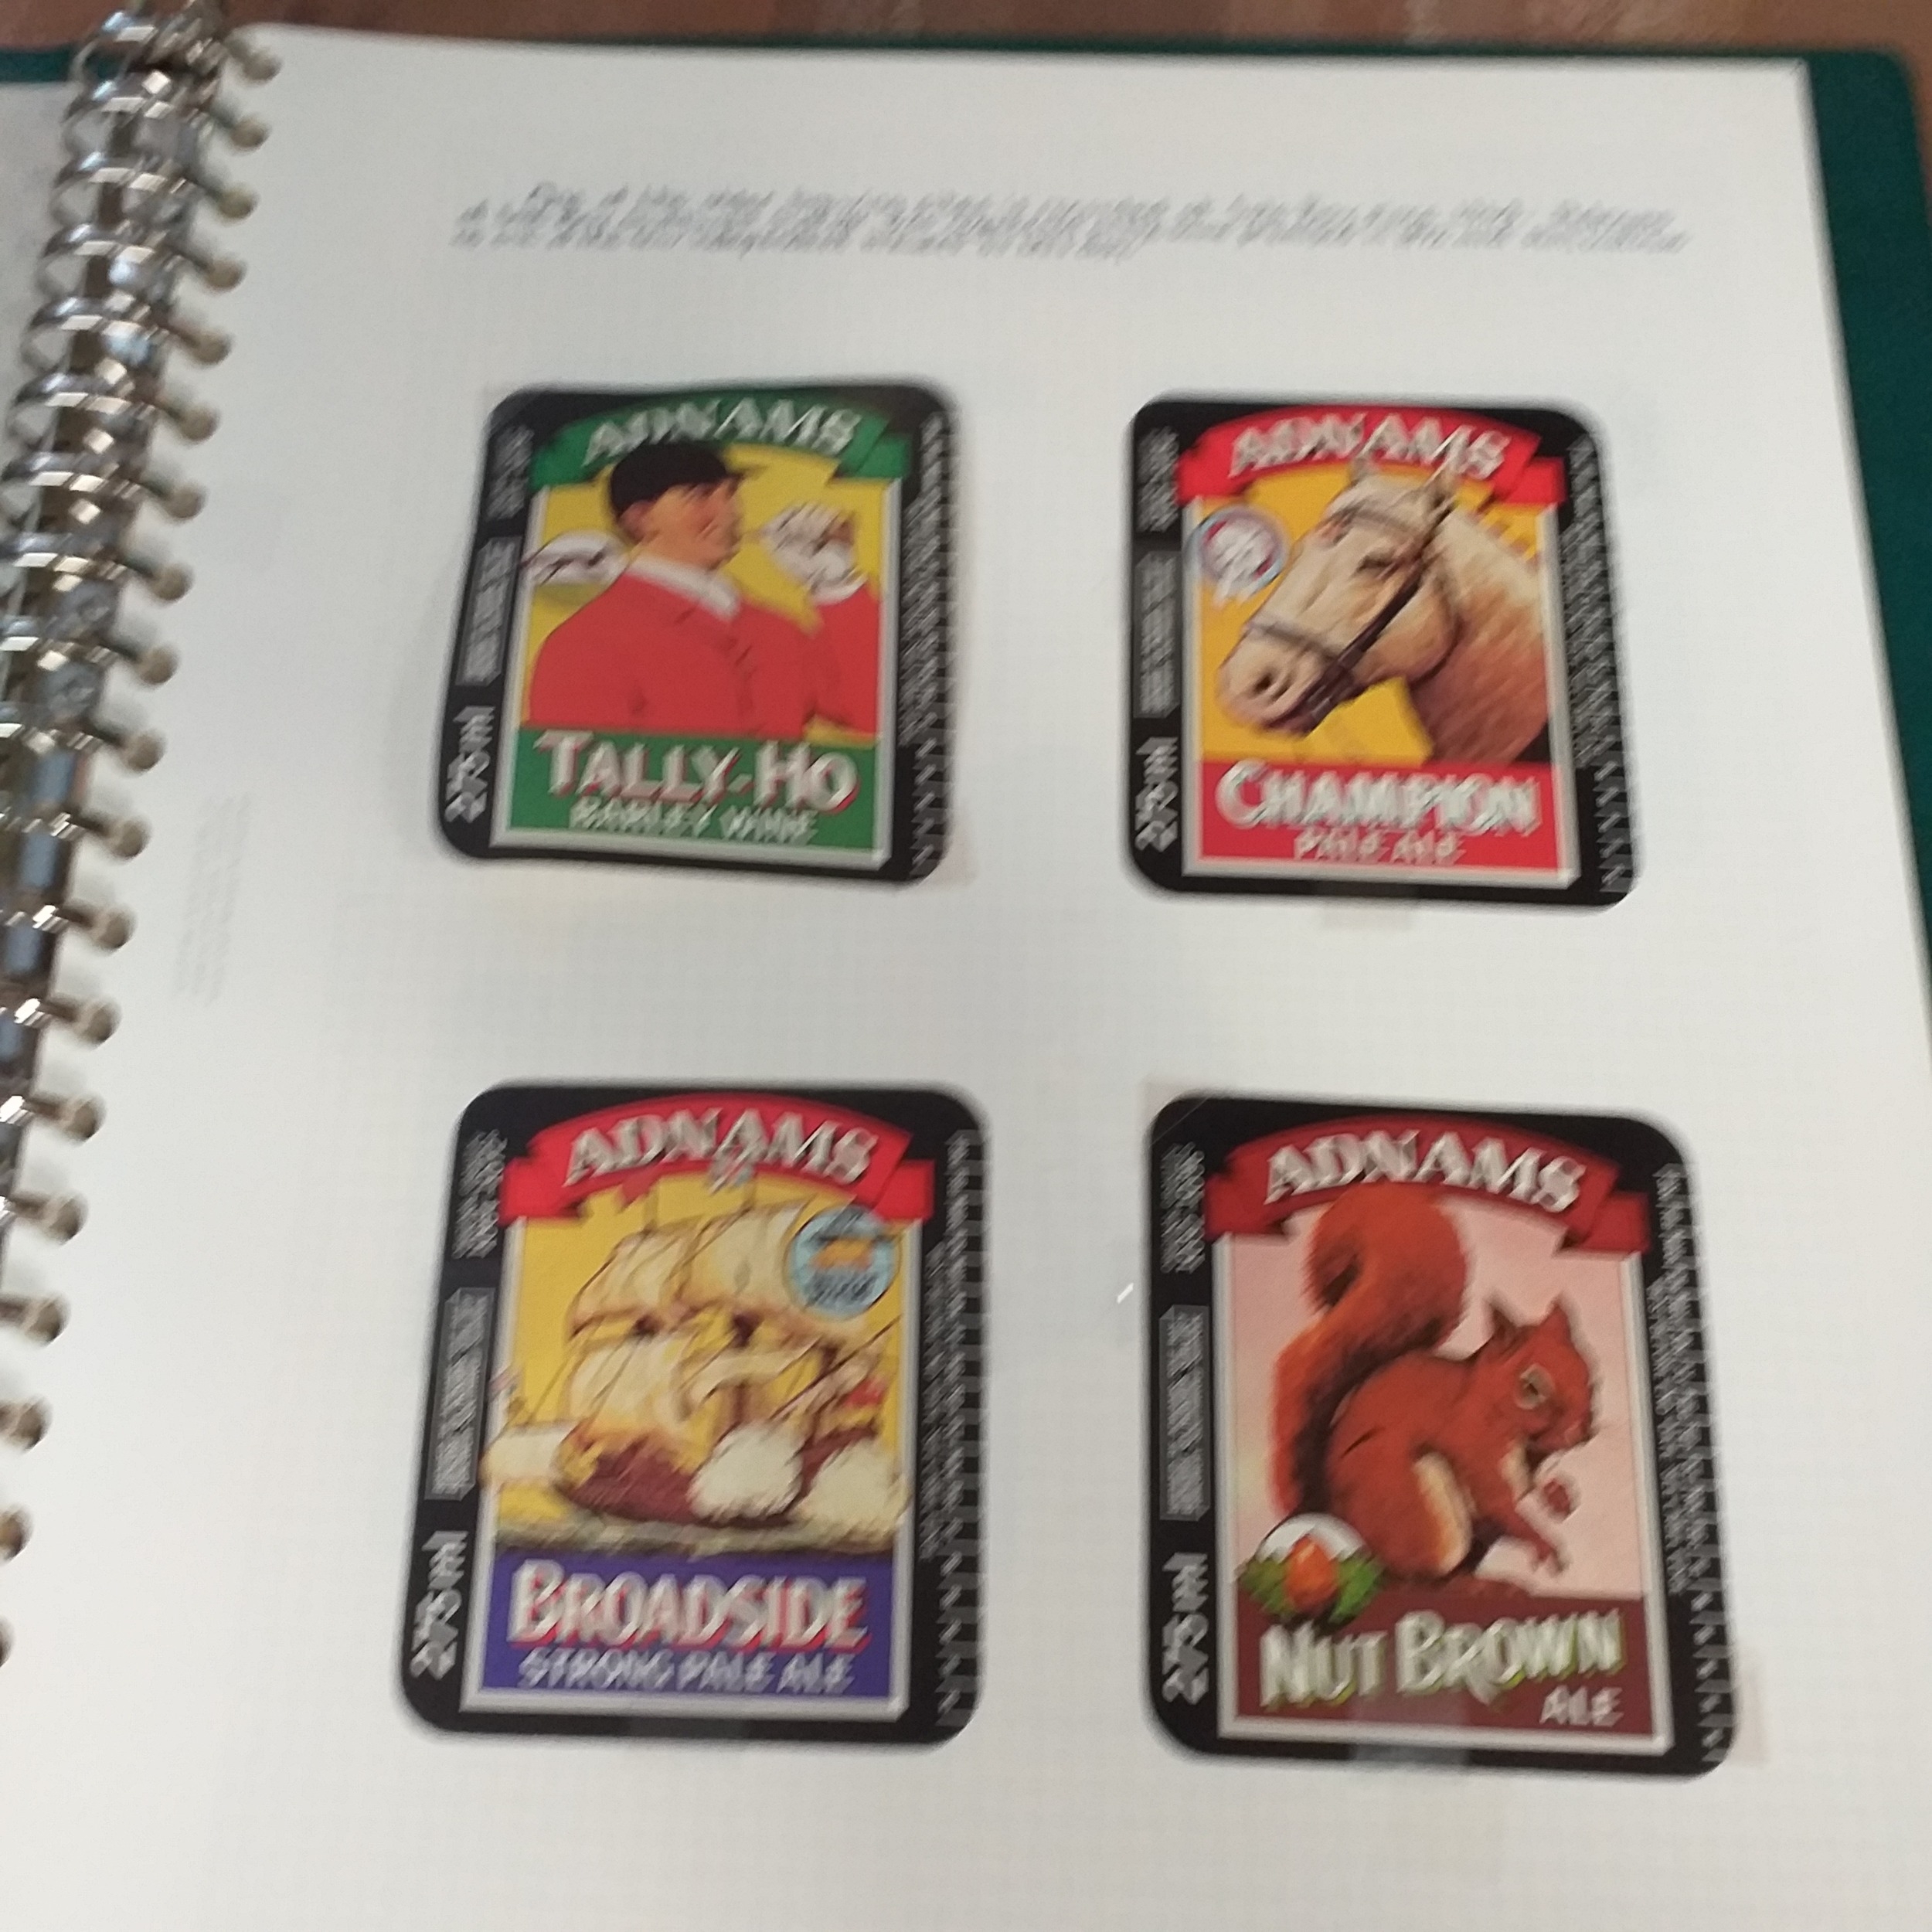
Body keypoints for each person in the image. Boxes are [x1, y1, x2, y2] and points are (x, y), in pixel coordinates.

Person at [525, 442, 880, 739]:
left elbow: (876, 715)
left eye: (731, 493)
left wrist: (836, 585)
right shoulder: (587, 642)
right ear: (641, 518)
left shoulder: (775, 630)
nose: (730, 513)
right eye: (701, 496)